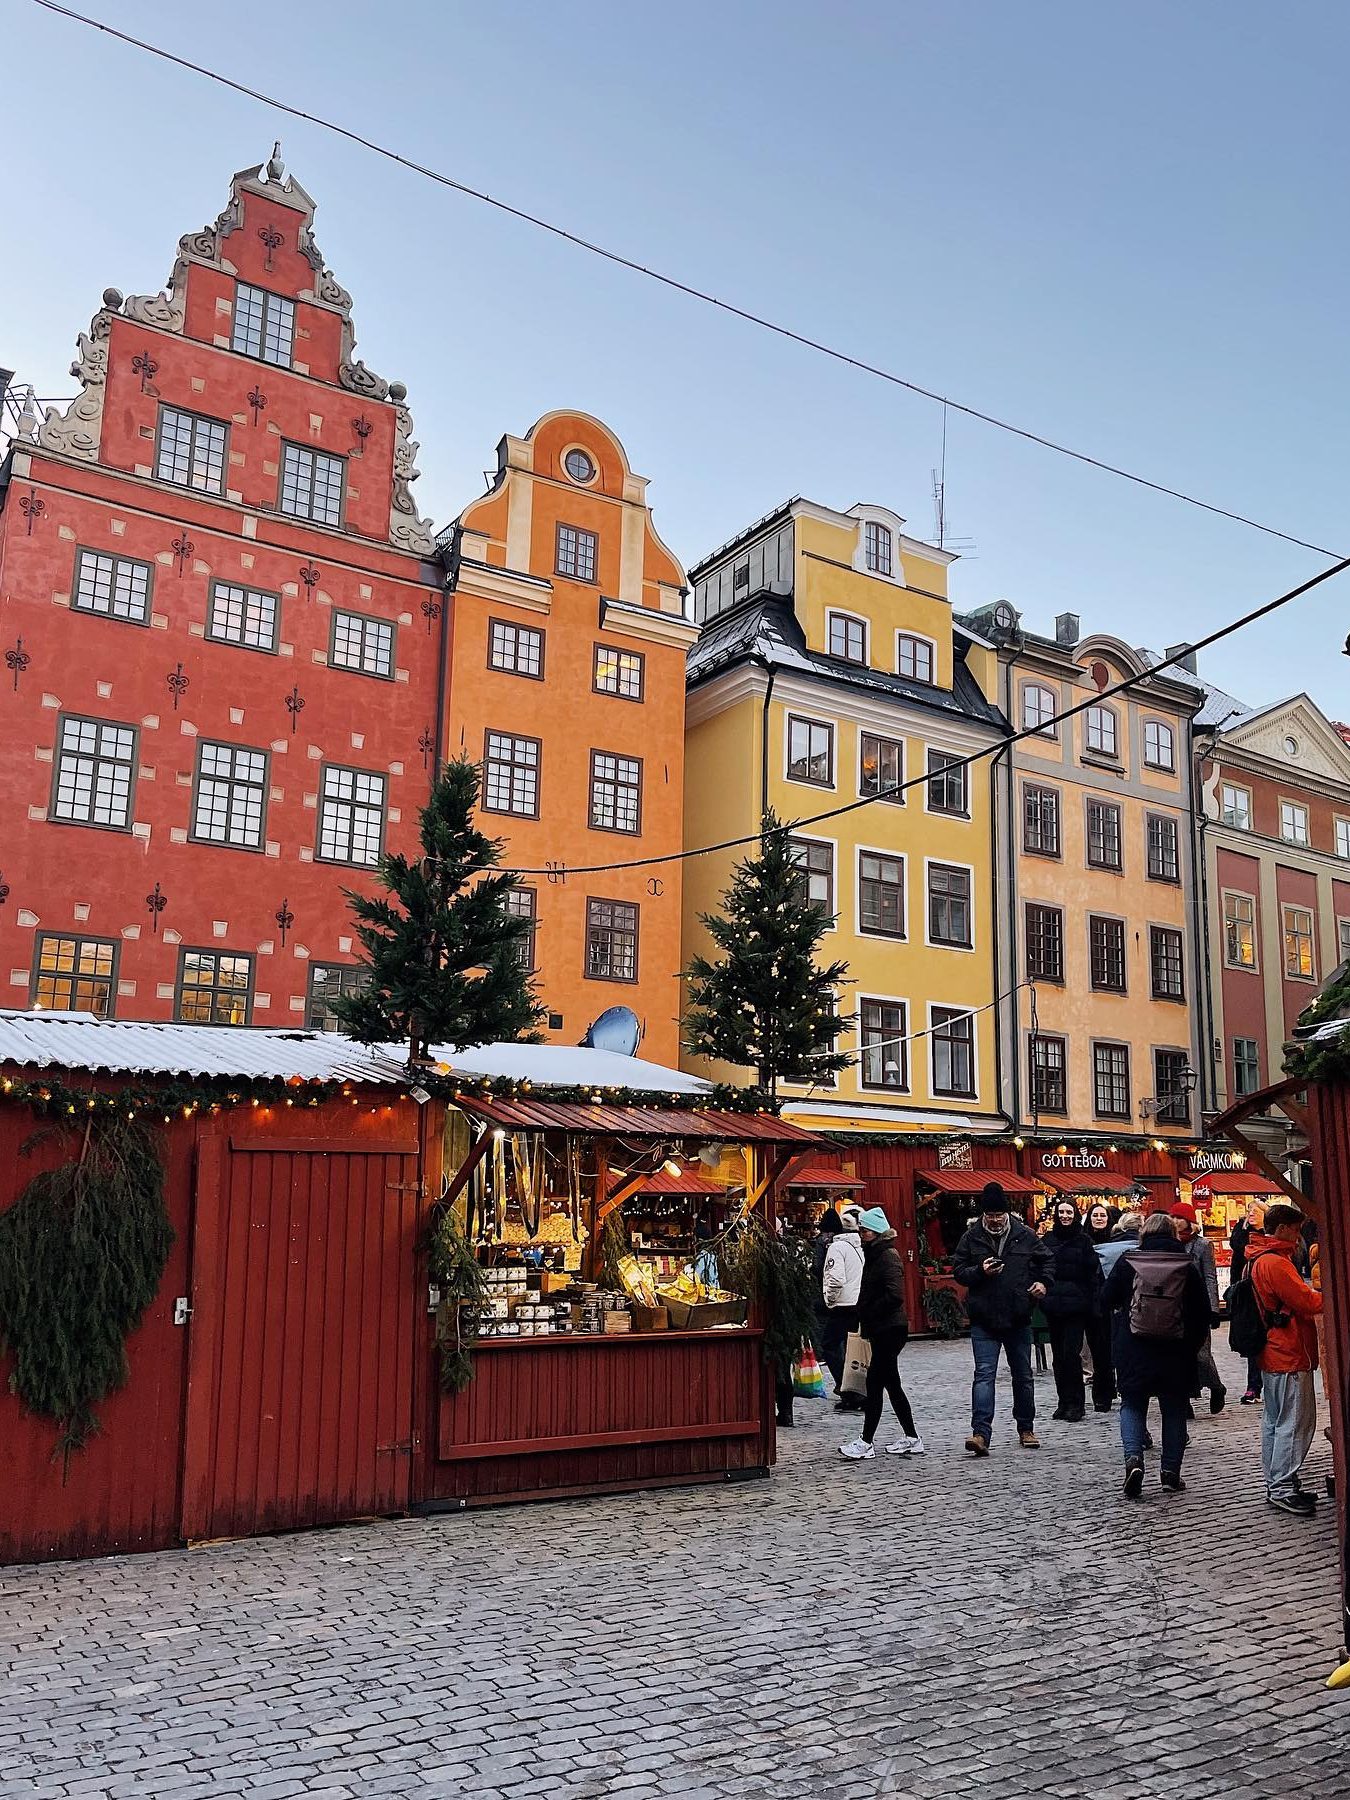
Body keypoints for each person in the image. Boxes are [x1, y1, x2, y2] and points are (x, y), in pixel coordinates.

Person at [1102, 1212, 1210, 1497]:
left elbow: (1105, 1298)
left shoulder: (1129, 1262)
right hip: (1175, 1350)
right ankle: (1170, 1474)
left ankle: (1134, 1459)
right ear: (1174, 1234)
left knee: (1132, 1405)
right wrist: (1192, 1346)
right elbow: (1202, 1311)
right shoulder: (1186, 1265)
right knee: (1173, 1409)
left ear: (1144, 1233)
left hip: (1134, 1348)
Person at [952, 1183, 1052, 1454]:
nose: (995, 1220)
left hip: (1018, 1316)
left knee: (1023, 1376)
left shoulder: (1025, 1235)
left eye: (999, 1215)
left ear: (1006, 1214)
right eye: (990, 1215)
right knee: (984, 1376)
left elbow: (1047, 1262)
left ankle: (1026, 1428)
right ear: (983, 1215)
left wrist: (1043, 1283)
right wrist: (980, 1271)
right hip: (984, 1318)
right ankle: (980, 1434)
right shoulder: (971, 1237)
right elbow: (959, 1271)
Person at [1249, 1203, 1325, 1517]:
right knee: (1294, 1424)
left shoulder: (1258, 1257)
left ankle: (1279, 1482)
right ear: (1282, 1229)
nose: (1298, 1238)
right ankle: (1281, 1486)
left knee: (1276, 1422)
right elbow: (1305, 1301)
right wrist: (1329, 1293)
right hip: (1288, 1351)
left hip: (1274, 1351)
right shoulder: (1276, 1263)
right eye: (1295, 1231)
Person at [839, 1206, 924, 1460]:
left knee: (875, 1384)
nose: (861, 1235)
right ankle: (912, 1437)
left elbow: (894, 1295)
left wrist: (869, 1310)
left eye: (864, 1230)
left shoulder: (887, 1256)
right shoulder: (876, 1254)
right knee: (891, 1384)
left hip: (889, 1328)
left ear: (875, 1232)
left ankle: (866, 1442)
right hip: (882, 1328)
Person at [1041, 1199, 1102, 1422]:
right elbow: (1040, 1267)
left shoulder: (1083, 1240)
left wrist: (1091, 1302)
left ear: (1075, 1214)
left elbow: (1091, 1274)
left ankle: (1076, 1403)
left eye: (1068, 1212)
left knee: (1071, 1354)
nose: (1065, 1216)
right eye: (1061, 1212)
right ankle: (1063, 1401)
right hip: (1054, 1305)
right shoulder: (1048, 1239)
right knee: (1058, 1357)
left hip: (1076, 1306)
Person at [1170, 1203, 1226, 1413]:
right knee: (1179, 1356)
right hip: (1175, 1307)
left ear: (1189, 1221)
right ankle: (1184, 1401)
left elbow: (1210, 1277)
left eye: (1179, 1217)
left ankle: (1216, 1386)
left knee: (1201, 1355)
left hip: (1197, 1306)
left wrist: (1213, 1308)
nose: (1175, 1221)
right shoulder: (1170, 1242)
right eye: (1173, 1217)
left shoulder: (1201, 1245)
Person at [818, 1208, 865, 1412]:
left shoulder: (837, 1248)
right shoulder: (860, 1245)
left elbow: (835, 1279)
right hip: (857, 1302)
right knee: (852, 1349)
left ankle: (846, 1389)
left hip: (843, 1304)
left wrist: (829, 1300)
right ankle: (857, 1390)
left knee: (829, 1345)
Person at [1083, 1204, 1118, 1410]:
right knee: (1098, 1349)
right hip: (1091, 1300)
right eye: (1095, 1215)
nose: (1098, 1218)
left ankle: (1113, 1387)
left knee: (1113, 1346)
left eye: (1102, 1215)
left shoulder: (1114, 1240)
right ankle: (1102, 1393)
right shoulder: (1084, 1239)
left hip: (1112, 1299)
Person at [1230, 1203, 1265, 1403]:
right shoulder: (1240, 1235)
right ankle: (1253, 1386)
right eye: (1249, 1211)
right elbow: (1238, 1253)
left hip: (1265, 1291)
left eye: (1256, 1211)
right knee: (1253, 1338)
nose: (1251, 1214)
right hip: (1246, 1293)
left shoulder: (1271, 1237)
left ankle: (1262, 1384)